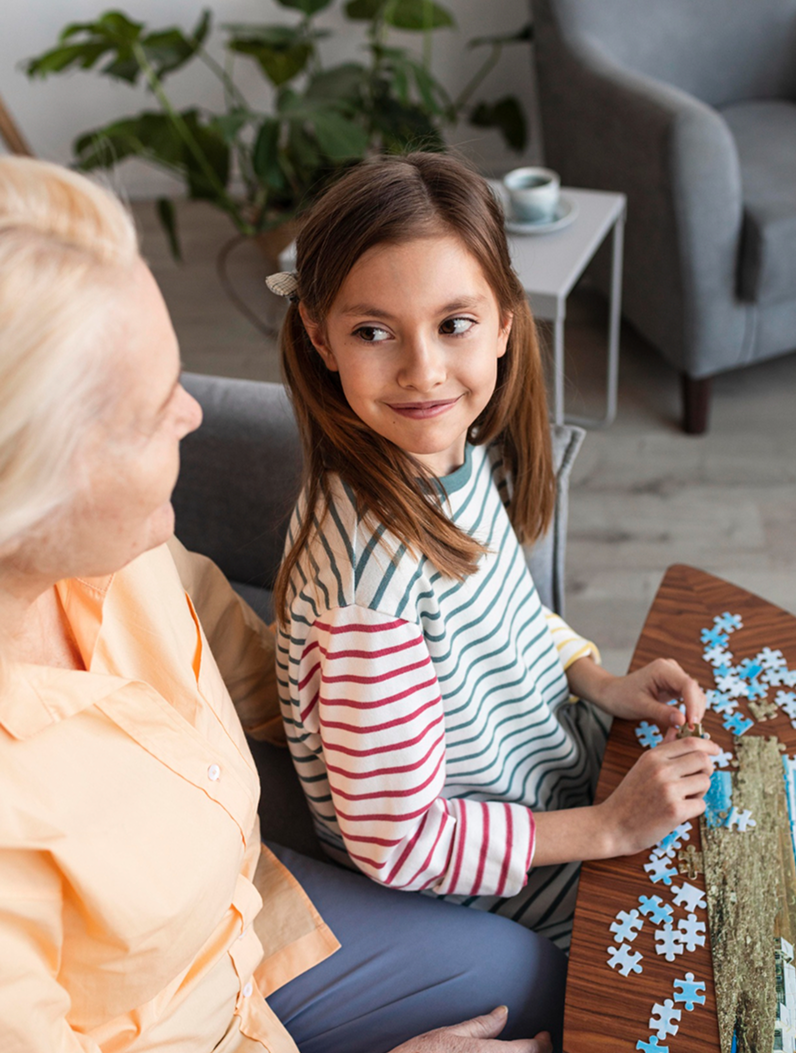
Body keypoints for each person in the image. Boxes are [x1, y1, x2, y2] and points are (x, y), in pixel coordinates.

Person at [0, 156, 565, 1053]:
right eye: (150, 414)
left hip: (247, 902)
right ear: (28, 483)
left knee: (531, 971)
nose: (194, 415)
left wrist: (360, 716)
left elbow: (240, 646)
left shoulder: (124, 549)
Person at [272, 152, 720, 953]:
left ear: (506, 322)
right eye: (374, 331)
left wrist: (599, 680)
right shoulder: (365, 606)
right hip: (506, 892)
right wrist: (612, 827)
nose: (423, 372)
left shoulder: (450, 450)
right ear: (319, 336)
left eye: (454, 324)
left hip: (565, 789)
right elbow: (402, 843)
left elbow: (504, 609)